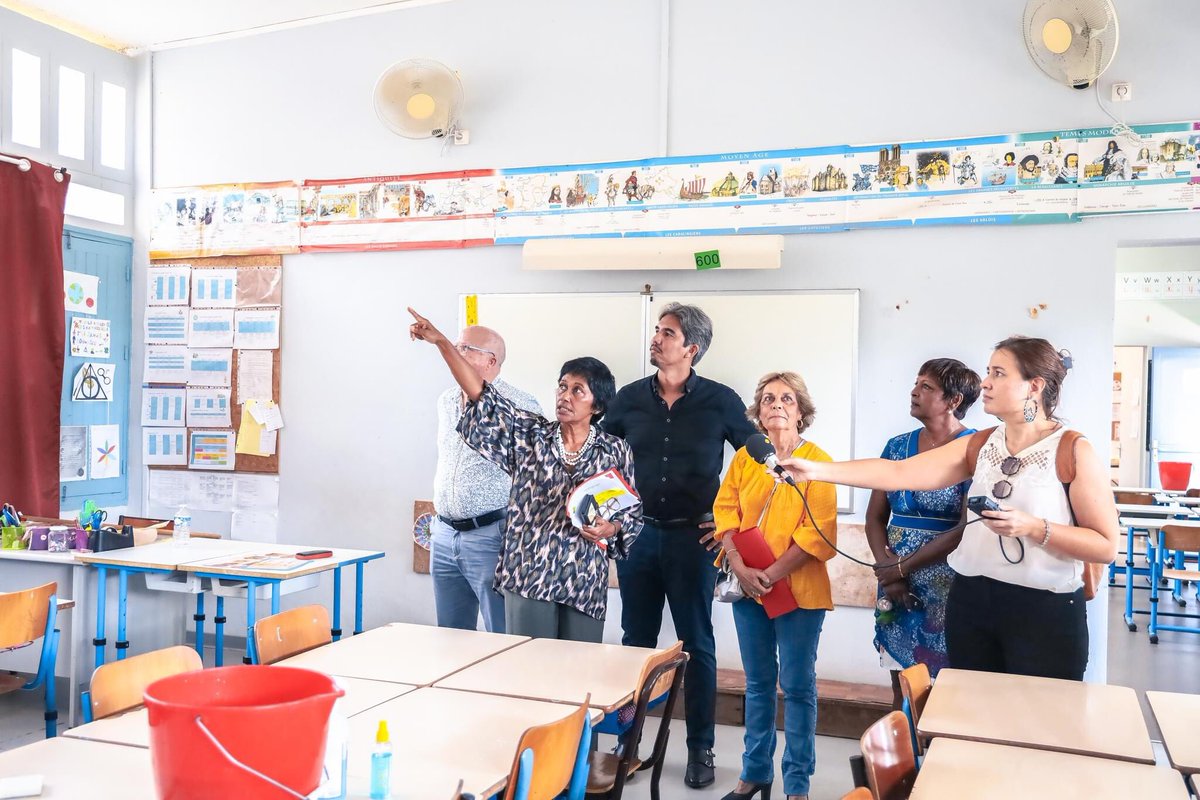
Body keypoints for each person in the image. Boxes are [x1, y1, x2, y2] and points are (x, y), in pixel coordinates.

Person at [777, 336, 1119, 681]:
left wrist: (1034, 528)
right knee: (970, 722)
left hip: (1044, 610)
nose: (985, 382)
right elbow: (899, 472)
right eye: (988, 372)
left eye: (998, 373)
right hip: (972, 602)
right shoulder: (982, 444)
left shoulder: (1072, 449)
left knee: (1039, 725)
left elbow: (1105, 545)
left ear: (1035, 386)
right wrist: (816, 470)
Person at [409, 308, 642, 642]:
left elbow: (631, 513)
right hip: (529, 573)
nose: (565, 396)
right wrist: (442, 343)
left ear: (598, 405)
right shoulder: (529, 436)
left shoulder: (615, 451)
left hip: (582, 576)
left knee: (578, 670)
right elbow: (481, 395)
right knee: (526, 670)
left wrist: (611, 527)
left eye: (578, 390)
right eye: (562, 386)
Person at [602, 303, 758, 788]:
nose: (656, 338)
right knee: (636, 645)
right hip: (639, 536)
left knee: (697, 647)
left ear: (691, 348)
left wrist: (731, 520)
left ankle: (700, 751)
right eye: (656, 330)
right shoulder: (628, 399)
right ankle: (628, 745)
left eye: (666, 333)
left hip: (696, 539)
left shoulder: (720, 400)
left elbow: (754, 457)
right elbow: (599, 458)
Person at [713, 371, 837, 800]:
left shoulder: (817, 461)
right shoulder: (746, 458)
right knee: (758, 684)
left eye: (786, 399)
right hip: (748, 589)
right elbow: (725, 511)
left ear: (801, 411)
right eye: (768, 399)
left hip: (798, 594)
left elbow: (818, 532)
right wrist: (740, 566)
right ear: (758, 412)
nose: (776, 405)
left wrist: (772, 574)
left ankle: (798, 785)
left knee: (799, 686)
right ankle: (755, 774)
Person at [865, 359, 980, 706]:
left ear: (954, 400)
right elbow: (874, 518)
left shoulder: (973, 449)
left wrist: (901, 567)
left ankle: (936, 755)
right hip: (893, 579)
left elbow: (964, 529)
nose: (914, 391)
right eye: (916, 384)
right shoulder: (896, 447)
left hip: (947, 581)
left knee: (943, 689)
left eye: (927, 386)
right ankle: (905, 754)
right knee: (900, 678)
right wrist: (890, 572)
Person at [429, 324, 541, 634]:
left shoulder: (521, 404)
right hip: (444, 534)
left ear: (490, 361)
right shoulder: (447, 400)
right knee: (450, 635)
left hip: (492, 535)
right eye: (456, 345)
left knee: (501, 635)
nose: (456, 352)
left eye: (465, 348)